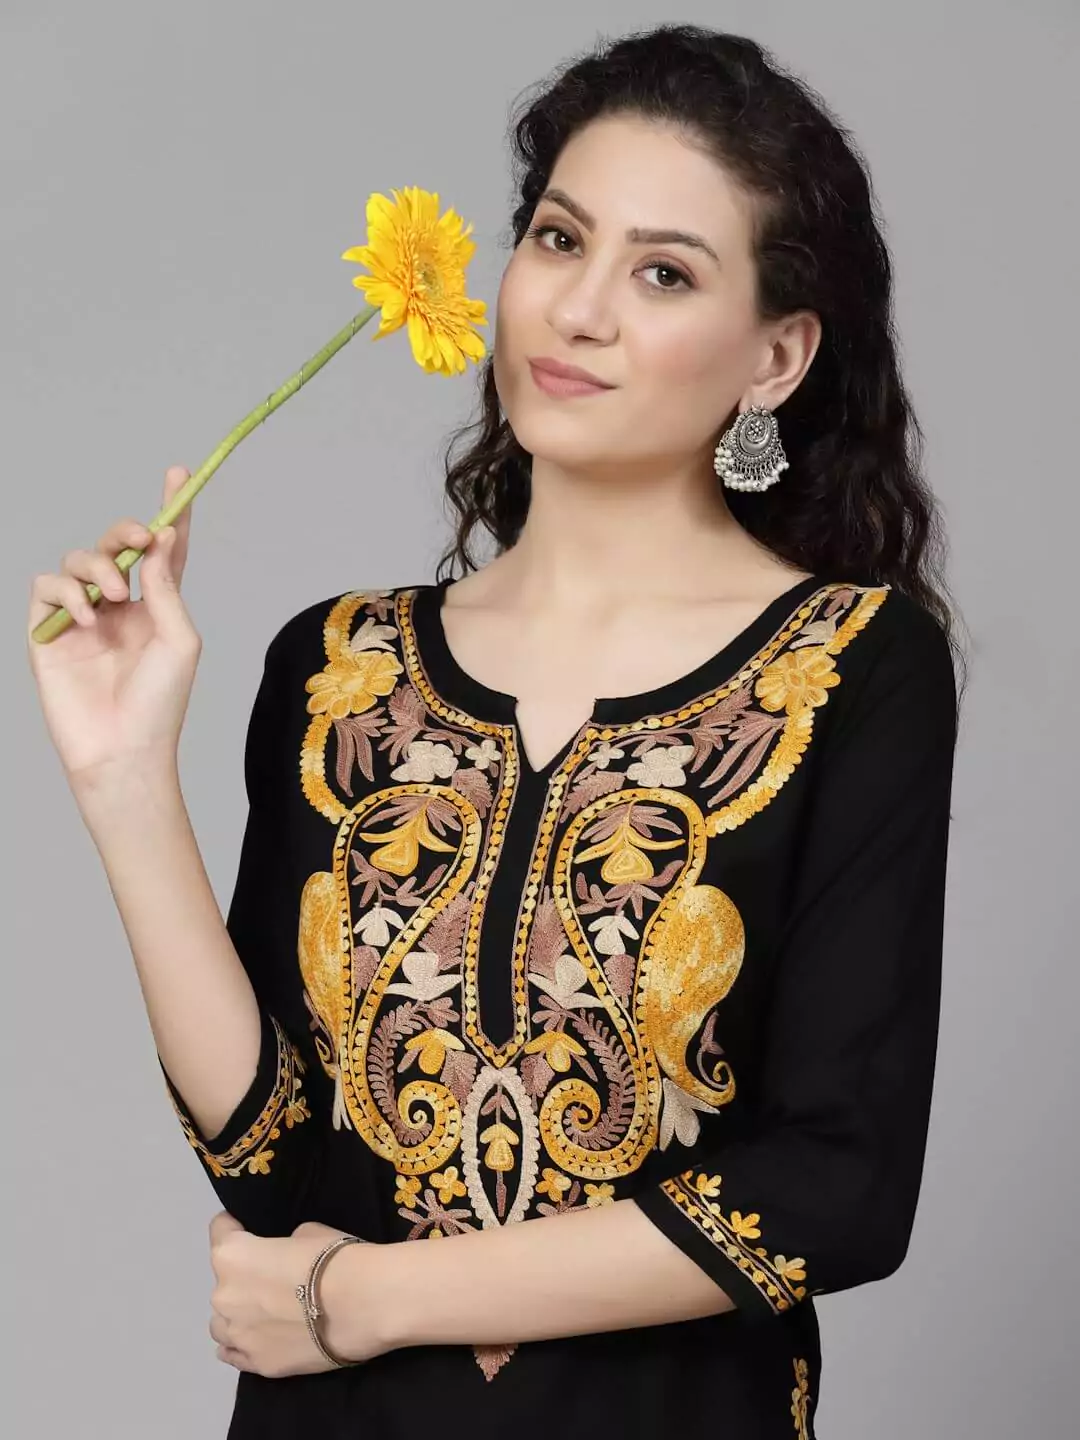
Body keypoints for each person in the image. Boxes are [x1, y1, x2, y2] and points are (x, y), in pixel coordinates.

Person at [26, 23, 965, 1440]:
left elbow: (839, 1189)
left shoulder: (850, 666)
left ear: (775, 357)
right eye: (558, 239)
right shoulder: (341, 666)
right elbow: (275, 1161)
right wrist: (122, 781)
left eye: (662, 273)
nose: (578, 309)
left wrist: (364, 1301)